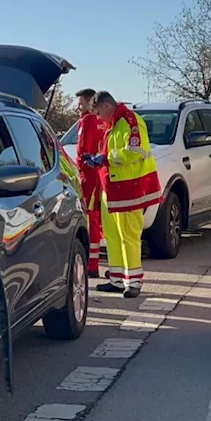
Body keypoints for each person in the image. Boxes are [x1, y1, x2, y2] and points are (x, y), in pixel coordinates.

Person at [83, 91, 162, 297]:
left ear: (107, 106)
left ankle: (133, 282)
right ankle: (117, 279)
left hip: (130, 189)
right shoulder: (115, 123)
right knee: (112, 236)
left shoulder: (130, 120)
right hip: (112, 188)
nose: (99, 118)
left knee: (129, 235)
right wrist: (100, 159)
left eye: (99, 112)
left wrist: (105, 158)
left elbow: (136, 150)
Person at [74, 88, 107, 277]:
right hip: (100, 174)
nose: (78, 107)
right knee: (99, 220)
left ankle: (92, 264)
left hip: (89, 175)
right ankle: (95, 262)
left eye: (80, 103)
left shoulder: (87, 120)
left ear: (89, 101)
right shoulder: (102, 121)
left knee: (90, 219)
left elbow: (83, 150)